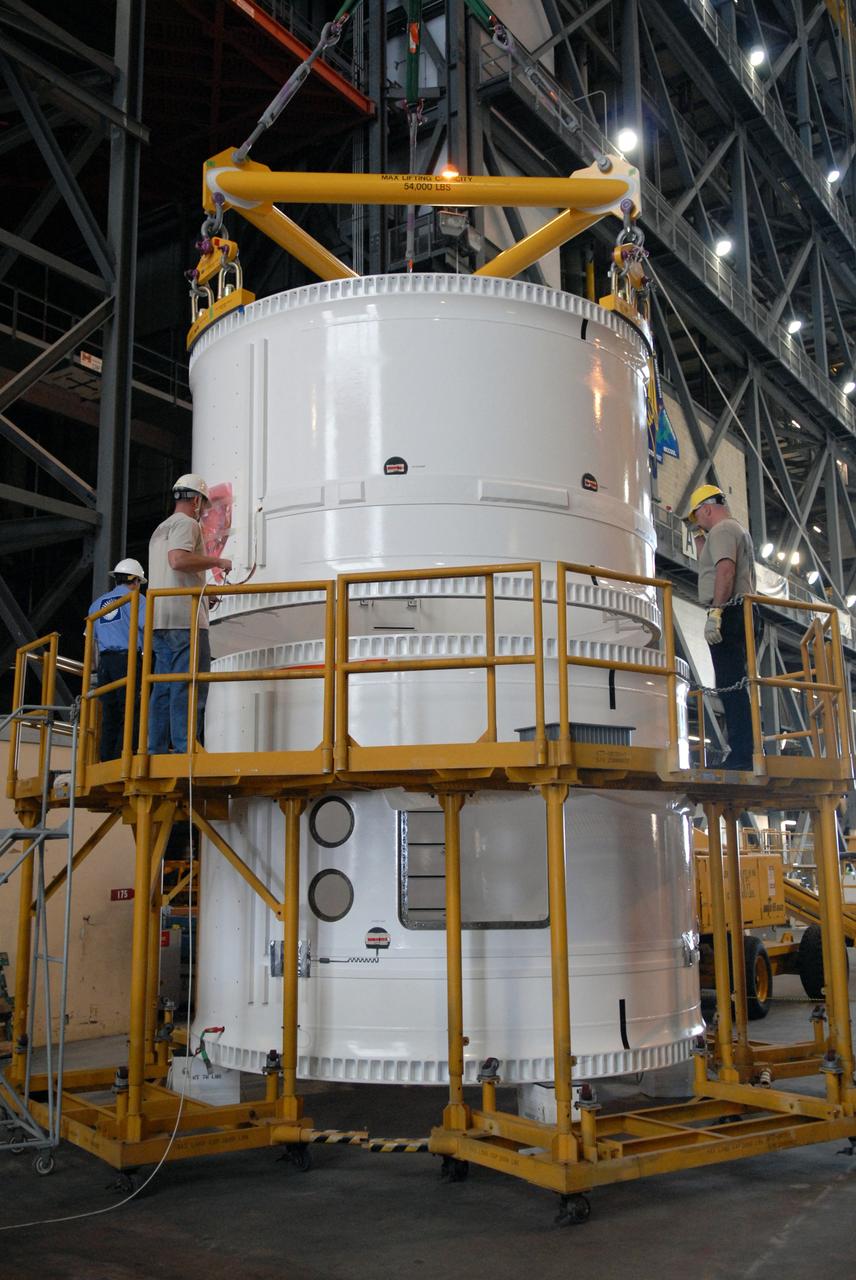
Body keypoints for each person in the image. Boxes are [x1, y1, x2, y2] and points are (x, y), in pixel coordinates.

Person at [148, 474, 231, 754]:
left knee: (162, 687)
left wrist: (206, 592)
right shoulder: (187, 524)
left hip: (160, 619)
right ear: (196, 500)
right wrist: (217, 560)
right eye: (203, 505)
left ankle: (156, 748)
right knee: (190, 685)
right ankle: (186, 748)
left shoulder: (161, 528)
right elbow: (178, 560)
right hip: (186, 621)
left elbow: (173, 573)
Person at [684, 484, 757, 772]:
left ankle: (742, 755)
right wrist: (703, 546)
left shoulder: (723, 530)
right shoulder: (733, 529)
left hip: (731, 610)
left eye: (697, 517)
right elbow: (719, 567)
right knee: (733, 685)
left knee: (731, 686)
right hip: (742, 609)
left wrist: (716, 611)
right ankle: (746, 751)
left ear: (706, 509)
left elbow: (725, 571)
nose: (697, 523)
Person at [89, 559, 147, 761]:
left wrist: (94, 671)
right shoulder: (136, 599)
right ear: (136, 580)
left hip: (105, 664)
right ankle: (124, 756)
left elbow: (91, 641)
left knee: (110, 713)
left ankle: (106, 759)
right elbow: (147, 627)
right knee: (132, 710)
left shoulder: (97, 604)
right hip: (127, 661)